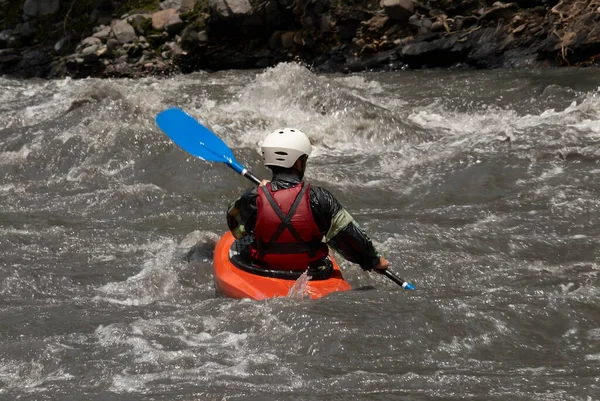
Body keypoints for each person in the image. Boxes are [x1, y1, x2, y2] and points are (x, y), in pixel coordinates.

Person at [226, 127, 389, 278]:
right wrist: (373, 261)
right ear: (298, 162)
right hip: (311, 272)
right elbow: (349, 236)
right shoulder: (320, 198)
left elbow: (236, 230)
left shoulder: (253, 198)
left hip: (263, 269)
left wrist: (261, 194)